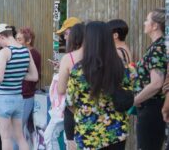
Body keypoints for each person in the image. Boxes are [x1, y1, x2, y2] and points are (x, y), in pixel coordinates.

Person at [66, 21, 132, 149]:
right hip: (116, 133)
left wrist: (87, 111)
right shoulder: (122, 66)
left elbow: (70, 102)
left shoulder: (78, 70)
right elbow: (130, 94)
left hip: (88, 133)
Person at [0, 23, 38, 150]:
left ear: (1, 36)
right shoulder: (26, 51)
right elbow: (34, 76)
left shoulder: (5, 52)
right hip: (18, 98)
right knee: (19, 137)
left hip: (3, 99)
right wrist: (16, 74)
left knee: (6, 138)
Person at [47, 23, 85, 150]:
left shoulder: (69, 58)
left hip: (72, 107)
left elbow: (61, 89)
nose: (64, 38)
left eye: (67, 34)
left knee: (57, 138)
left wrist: (62, 71)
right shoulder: (101, 57)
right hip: (94, 112)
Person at [133, 8, 167, 150]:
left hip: (152, 108)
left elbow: (156, 83)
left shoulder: (158, 48)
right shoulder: (158, 46)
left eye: (147, 20)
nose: (144, 23)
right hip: (152, 107)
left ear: (155, 26)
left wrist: (134, 100)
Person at [15, 27, 41, 149]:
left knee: (17, 132)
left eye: (19, 39)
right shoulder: (21, 52)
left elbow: (35, 76)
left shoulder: (33, 54)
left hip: (26, 96)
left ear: (28, 40)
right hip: (19, 95)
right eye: (16, 39)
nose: (16, 41)